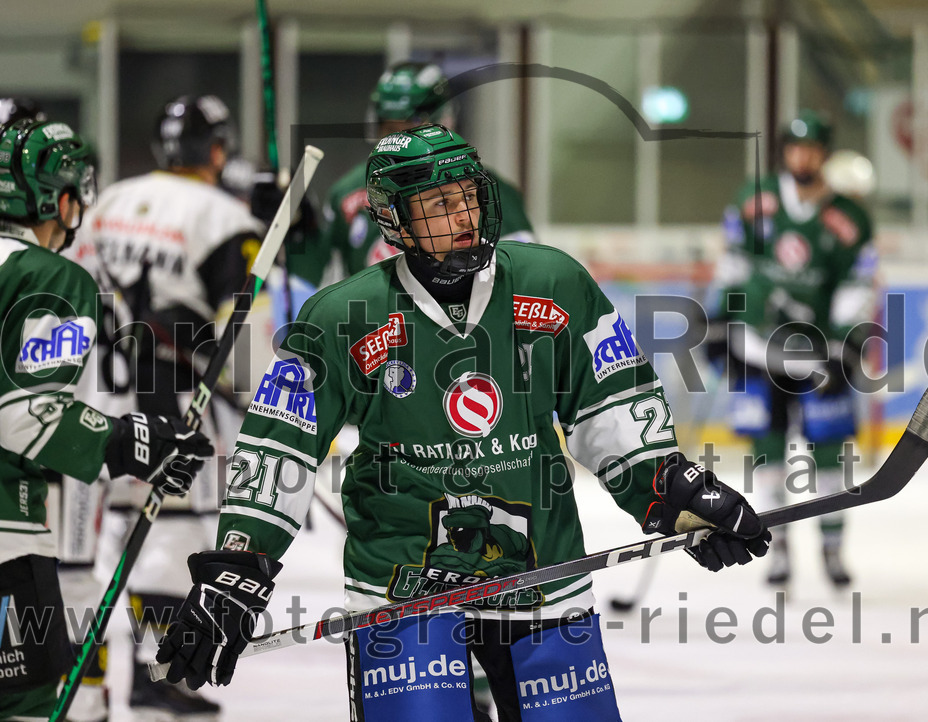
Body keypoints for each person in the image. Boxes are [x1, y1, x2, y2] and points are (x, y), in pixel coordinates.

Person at [155, 124, 772, 722]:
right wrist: (239, 567)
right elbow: (279, 448)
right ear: (394, 221)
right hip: (404, 584)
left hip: (540, 576)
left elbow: (610, 409)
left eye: (468, 198)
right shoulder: (343, 314)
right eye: (437, 205)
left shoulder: (554, 285)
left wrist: (673, 491)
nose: (462, 217)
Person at [0, 117, 213, 722]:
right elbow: (25, 415)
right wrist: (129, 441)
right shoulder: (47, 277)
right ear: (61, 200)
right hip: (7, 531)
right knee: (27, 705)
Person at [68, 94, 264, 717]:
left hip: (97, 396)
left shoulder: (108, 203)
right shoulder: (223, 217)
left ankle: (86, 680)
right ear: (217, 149)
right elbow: (247, 341)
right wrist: (254, 396)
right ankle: (158, 676)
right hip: (172, 403)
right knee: (171, 534)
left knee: (92, 547)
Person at [715, 109, 876, 588]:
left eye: (812, 148)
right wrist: (721, 316)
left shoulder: (848, 218)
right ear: (785, 152)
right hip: (757, 345)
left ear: (824, 155)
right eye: (794, 147)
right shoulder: (754, 201)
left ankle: (831, 551)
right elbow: (734, 264)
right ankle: (777, 548)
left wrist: (848, 338)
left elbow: (856, 283)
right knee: (767, 453)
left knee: (829, 452)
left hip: (818, 350)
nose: (802, 156)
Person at [293, 61, 534, 288]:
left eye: (412, 128)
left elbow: (523, 278)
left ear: (445, 122)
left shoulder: (483, 187)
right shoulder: (347, 193)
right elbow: (317, 283)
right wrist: (299, 230)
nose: (401, 141)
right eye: (390, 130)